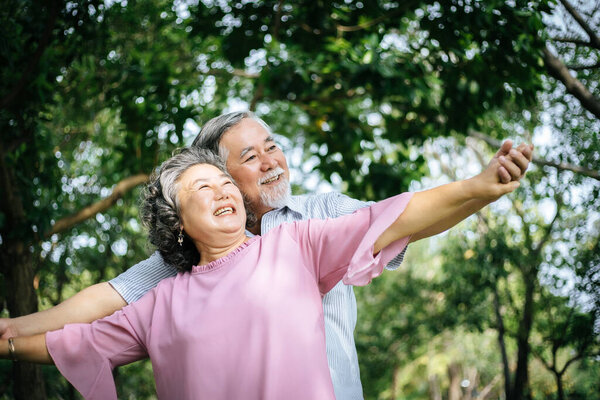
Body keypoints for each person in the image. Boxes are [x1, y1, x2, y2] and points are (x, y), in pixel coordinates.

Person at [0, 111, 533, 399]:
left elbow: (403, 217)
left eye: (273, 144)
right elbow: (98, 311)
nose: (271, 160)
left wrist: (478, 186)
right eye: (250, 156)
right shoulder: (171, 279)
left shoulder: (309, 226)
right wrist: (10, 331)